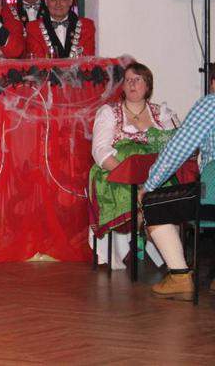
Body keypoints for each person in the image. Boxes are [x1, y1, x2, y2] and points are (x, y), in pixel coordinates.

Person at [88, 62, 179, 269]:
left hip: (155, 175)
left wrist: (151, 178)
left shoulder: (163, 114)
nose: (131, 84)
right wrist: (129, 175)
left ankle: (172, 260)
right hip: (117, 172)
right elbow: (100, 150)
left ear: (148, 85)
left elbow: (176, 147)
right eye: (128, 80)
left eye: (137, 80)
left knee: (162, 197)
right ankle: (139, 233)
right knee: (128, 194)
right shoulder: (109, 112)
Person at [140, 66, 215, 300]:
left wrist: (149, 186)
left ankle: (180, 276)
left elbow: (177, 150)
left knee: (154, 205)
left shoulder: (211, 104)